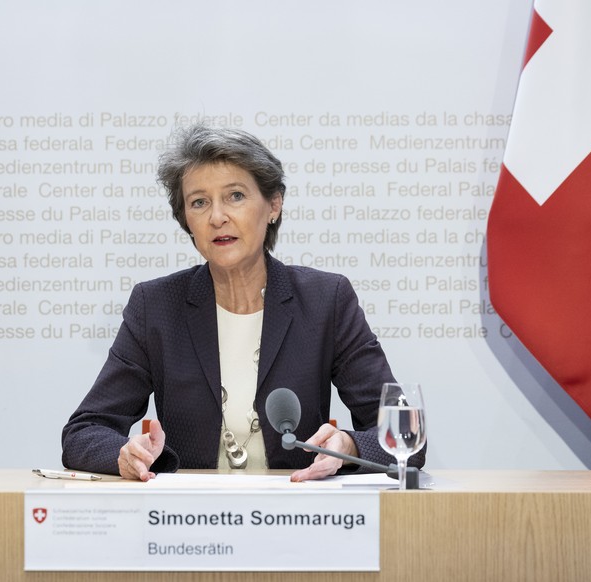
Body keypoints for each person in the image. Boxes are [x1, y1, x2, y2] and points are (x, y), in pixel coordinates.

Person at [61, 124, 425, 481]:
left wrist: (349, 447)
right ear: (187, 221)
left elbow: (407, 439)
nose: (217, 217)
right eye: (199, 202)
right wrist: (125, 455)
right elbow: (84, 432)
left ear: (273, 205)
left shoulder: (325, 300)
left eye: (235, 196)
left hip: (298, 518)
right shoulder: (155, 306)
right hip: (186, 523)